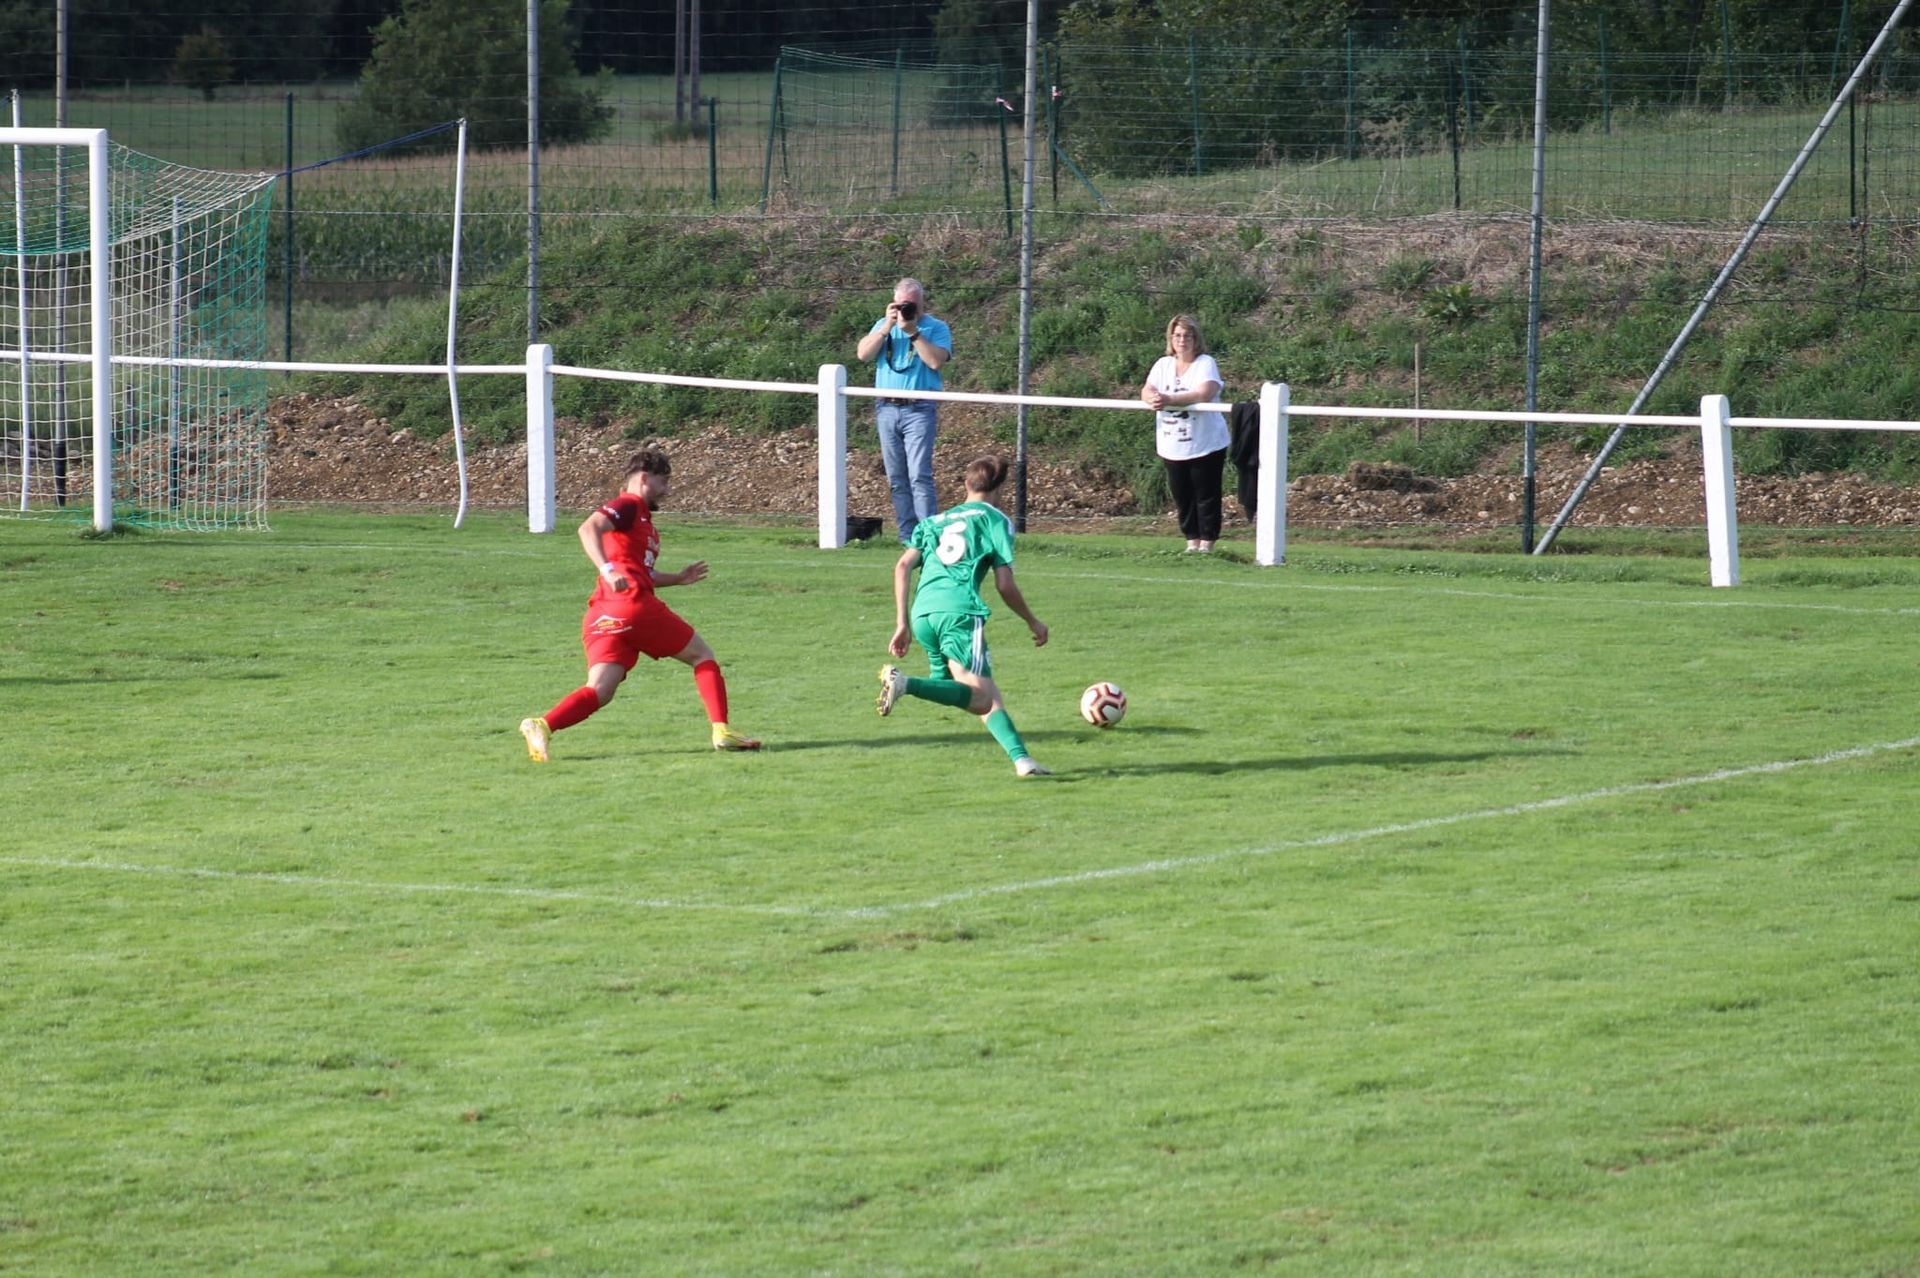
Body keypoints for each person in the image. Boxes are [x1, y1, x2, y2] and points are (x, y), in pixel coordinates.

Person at [519, 448, 761, 761]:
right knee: (703, 656)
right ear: (645, 478)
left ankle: (542, 725)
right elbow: (587, 528)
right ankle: (722, 731)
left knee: (600, 691)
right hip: (632, 605)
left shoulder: (643, 522)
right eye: (663, 482)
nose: (667, 490)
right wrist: (607, 570)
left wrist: (678, 578)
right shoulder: (628, 505)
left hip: (603, 614)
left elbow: (642, 572)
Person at [875, 454, 1052, 778]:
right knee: (982, 698)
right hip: (959, 613)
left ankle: (1022, 760)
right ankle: (905, 684)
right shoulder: (995, 520)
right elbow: (1004, 583)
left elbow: (902, 566)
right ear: (999, 488)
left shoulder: (935, 521)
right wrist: (1032, 620)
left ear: (966, 484)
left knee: (960, 689)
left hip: (923, 613)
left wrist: (902, 623)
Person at [854, 277, 952, 544]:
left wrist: (912, 332)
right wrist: (887, 325)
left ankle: (928, 533)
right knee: (897, 477)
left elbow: (935, 362)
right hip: (886, 408)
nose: (908, 309)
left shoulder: (936, 328)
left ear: (923, 303)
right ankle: (907, 535)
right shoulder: (884, 326)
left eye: (913, 305)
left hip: (919, 409)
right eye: (903, 304)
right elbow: (863, 354)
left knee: (919, 474)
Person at [1139, 314, 1230, 552]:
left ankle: (1207, 545)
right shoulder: (1162, 365)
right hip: (1172, 444)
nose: (1182, 340)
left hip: (1205, 442)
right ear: (1171, 338)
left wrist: (1169, 399)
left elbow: (1204, 393)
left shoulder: (1205, 363)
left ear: (1195, 339)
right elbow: (1147, 389)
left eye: (1187, 335)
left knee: (1206, 494)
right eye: (1177, 335)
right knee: (1182, 495)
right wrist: (1152, 397)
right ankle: (1191, 543)